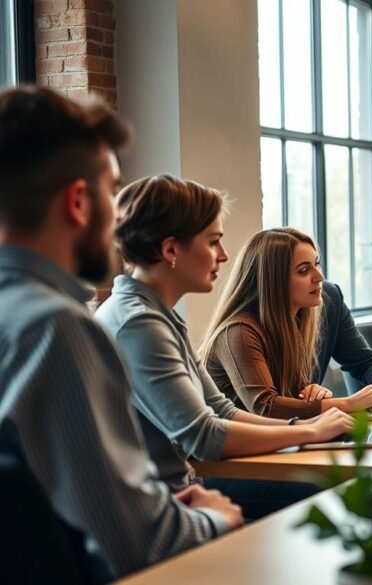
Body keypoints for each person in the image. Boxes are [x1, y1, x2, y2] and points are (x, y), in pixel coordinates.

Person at [0, 87, 242, 581]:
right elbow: (140, 543)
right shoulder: (59, 328)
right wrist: (216, 516)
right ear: (78, 202)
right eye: (112, 192)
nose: (119, 217)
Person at [95, 175, 354, 517]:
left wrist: (306, 431)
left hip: (181, 486)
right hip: (161, 504)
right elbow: (203, 435)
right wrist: (308, 431)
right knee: (330, 490)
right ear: (171, 250)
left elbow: (221, 408)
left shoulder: (157, 314)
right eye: (213, 242)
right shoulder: (138, 324)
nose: (223, 255)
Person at [201, 228, 372, 418]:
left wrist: (313, 395)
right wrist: (348, 403)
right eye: (304, 270)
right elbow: (267, 407)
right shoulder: (237, 332)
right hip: (237, 446)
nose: (319, 277)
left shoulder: (300, 318)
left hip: (279, 441)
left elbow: (287, 402)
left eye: (317, 264)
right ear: (274, 281)